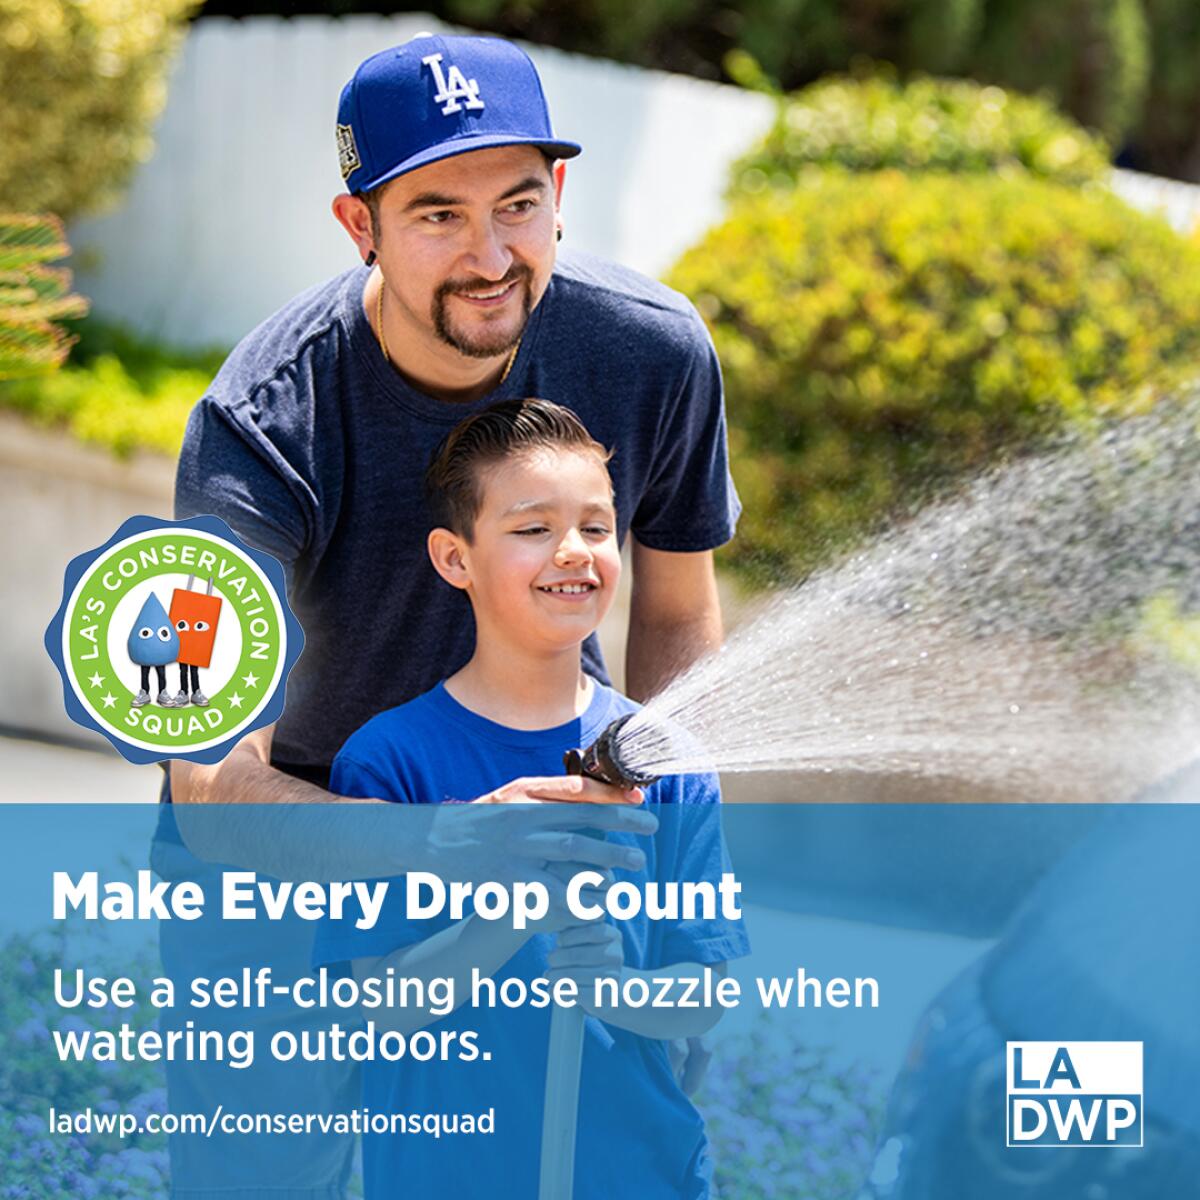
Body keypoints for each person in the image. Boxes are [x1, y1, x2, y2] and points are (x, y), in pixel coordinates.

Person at [155, 32, 739, 1198]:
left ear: (560, 197)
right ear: (358, 225)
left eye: (517, 203)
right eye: (435, 215)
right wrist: (450, 847)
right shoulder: (263, 426)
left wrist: (658, 832)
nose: (488, 256)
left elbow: (676, 610)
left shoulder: (652, 354)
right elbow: (210, 786)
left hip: (544, 838)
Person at [313, 399, 749, 1198]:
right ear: (455, 559)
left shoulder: (666, 761)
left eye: (595, 525)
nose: (574, 552)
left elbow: (706, 994)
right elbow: (376, 1009)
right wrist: (509, 917)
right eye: (531, 529)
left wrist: (618, 990)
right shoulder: (390, 761)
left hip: (638, 1172)